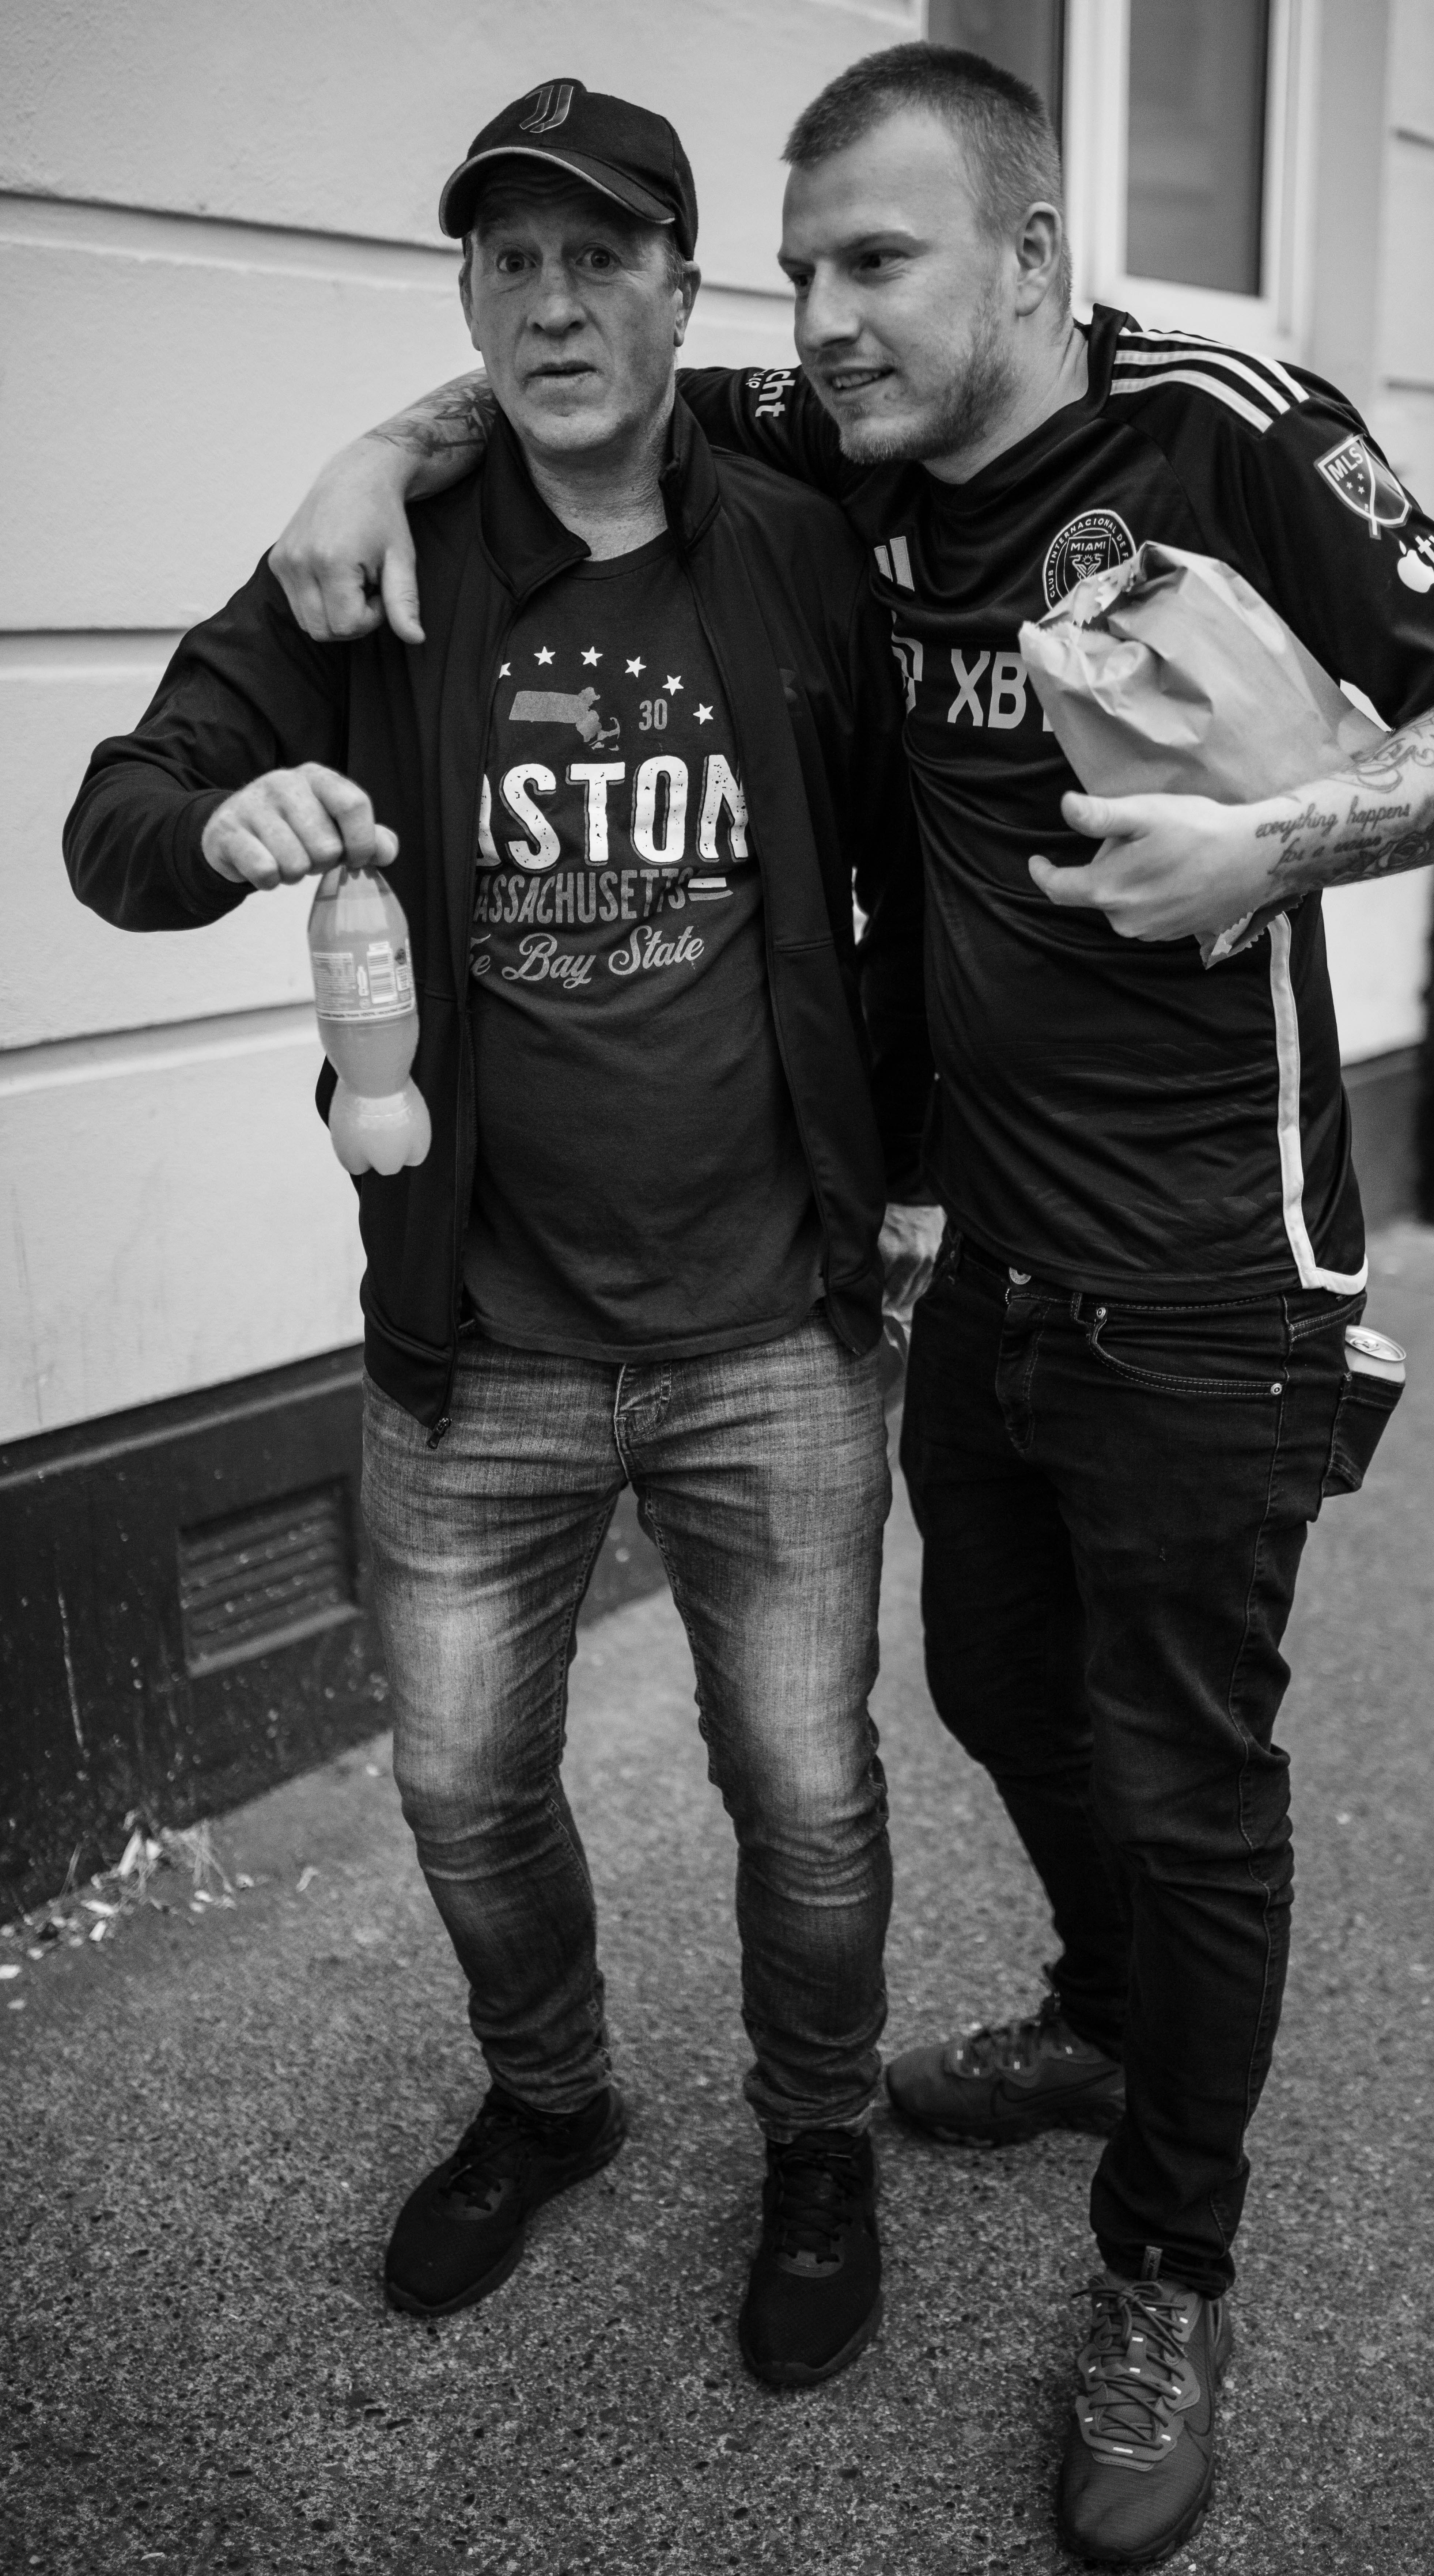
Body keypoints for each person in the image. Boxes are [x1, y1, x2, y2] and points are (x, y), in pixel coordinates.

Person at [266, 43, 1434, 2568]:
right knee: (990, 1681)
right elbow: (578, 373)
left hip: (1214, 1268)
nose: (824, 320)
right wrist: (366, 457)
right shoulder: (850, 434)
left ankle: (1167, 2267)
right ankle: (1108, 2015)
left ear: (1031, 254)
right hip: (985, 1250)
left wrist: (1272, 838)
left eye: (877, 260)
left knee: (1189, 1774)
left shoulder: (1220, 428)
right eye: (802, 272)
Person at [63, 81, 941, 2397]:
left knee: (807, 1788)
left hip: (774, 1327)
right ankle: (553, 2098)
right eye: (509, 262)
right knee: (461, 1784)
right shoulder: (370, 569)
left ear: (678, 287)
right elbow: (117, 817)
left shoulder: (796, 551)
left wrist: (907, 1180)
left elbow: (899, 885)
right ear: (466, 296)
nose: (555, 304)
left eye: (600, 258)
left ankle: (819, 2139)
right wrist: (221, 823)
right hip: (478, 1338)